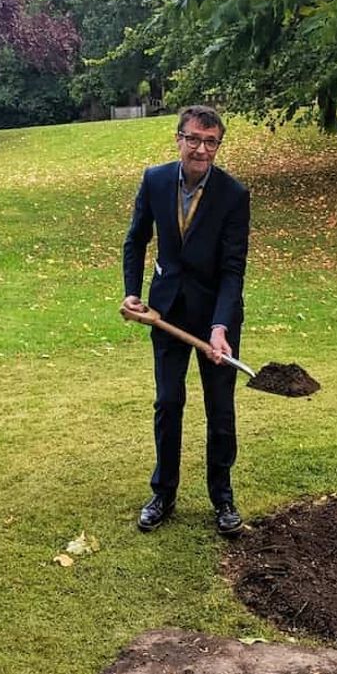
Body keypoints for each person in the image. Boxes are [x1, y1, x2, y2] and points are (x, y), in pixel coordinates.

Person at [121, 105, 250, 535]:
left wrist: (220, 329)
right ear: (178, 138)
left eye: (210, 141)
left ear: (218, 145)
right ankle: (163, 493)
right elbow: (136, 239)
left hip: (217, 317)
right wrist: (133, 292)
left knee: (220, 410)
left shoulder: (233, 195)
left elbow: (233, 270)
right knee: (168, 402)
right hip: (167, 313)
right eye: (193, 138)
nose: (200, 148)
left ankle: (223, 498)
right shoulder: (155, 181)